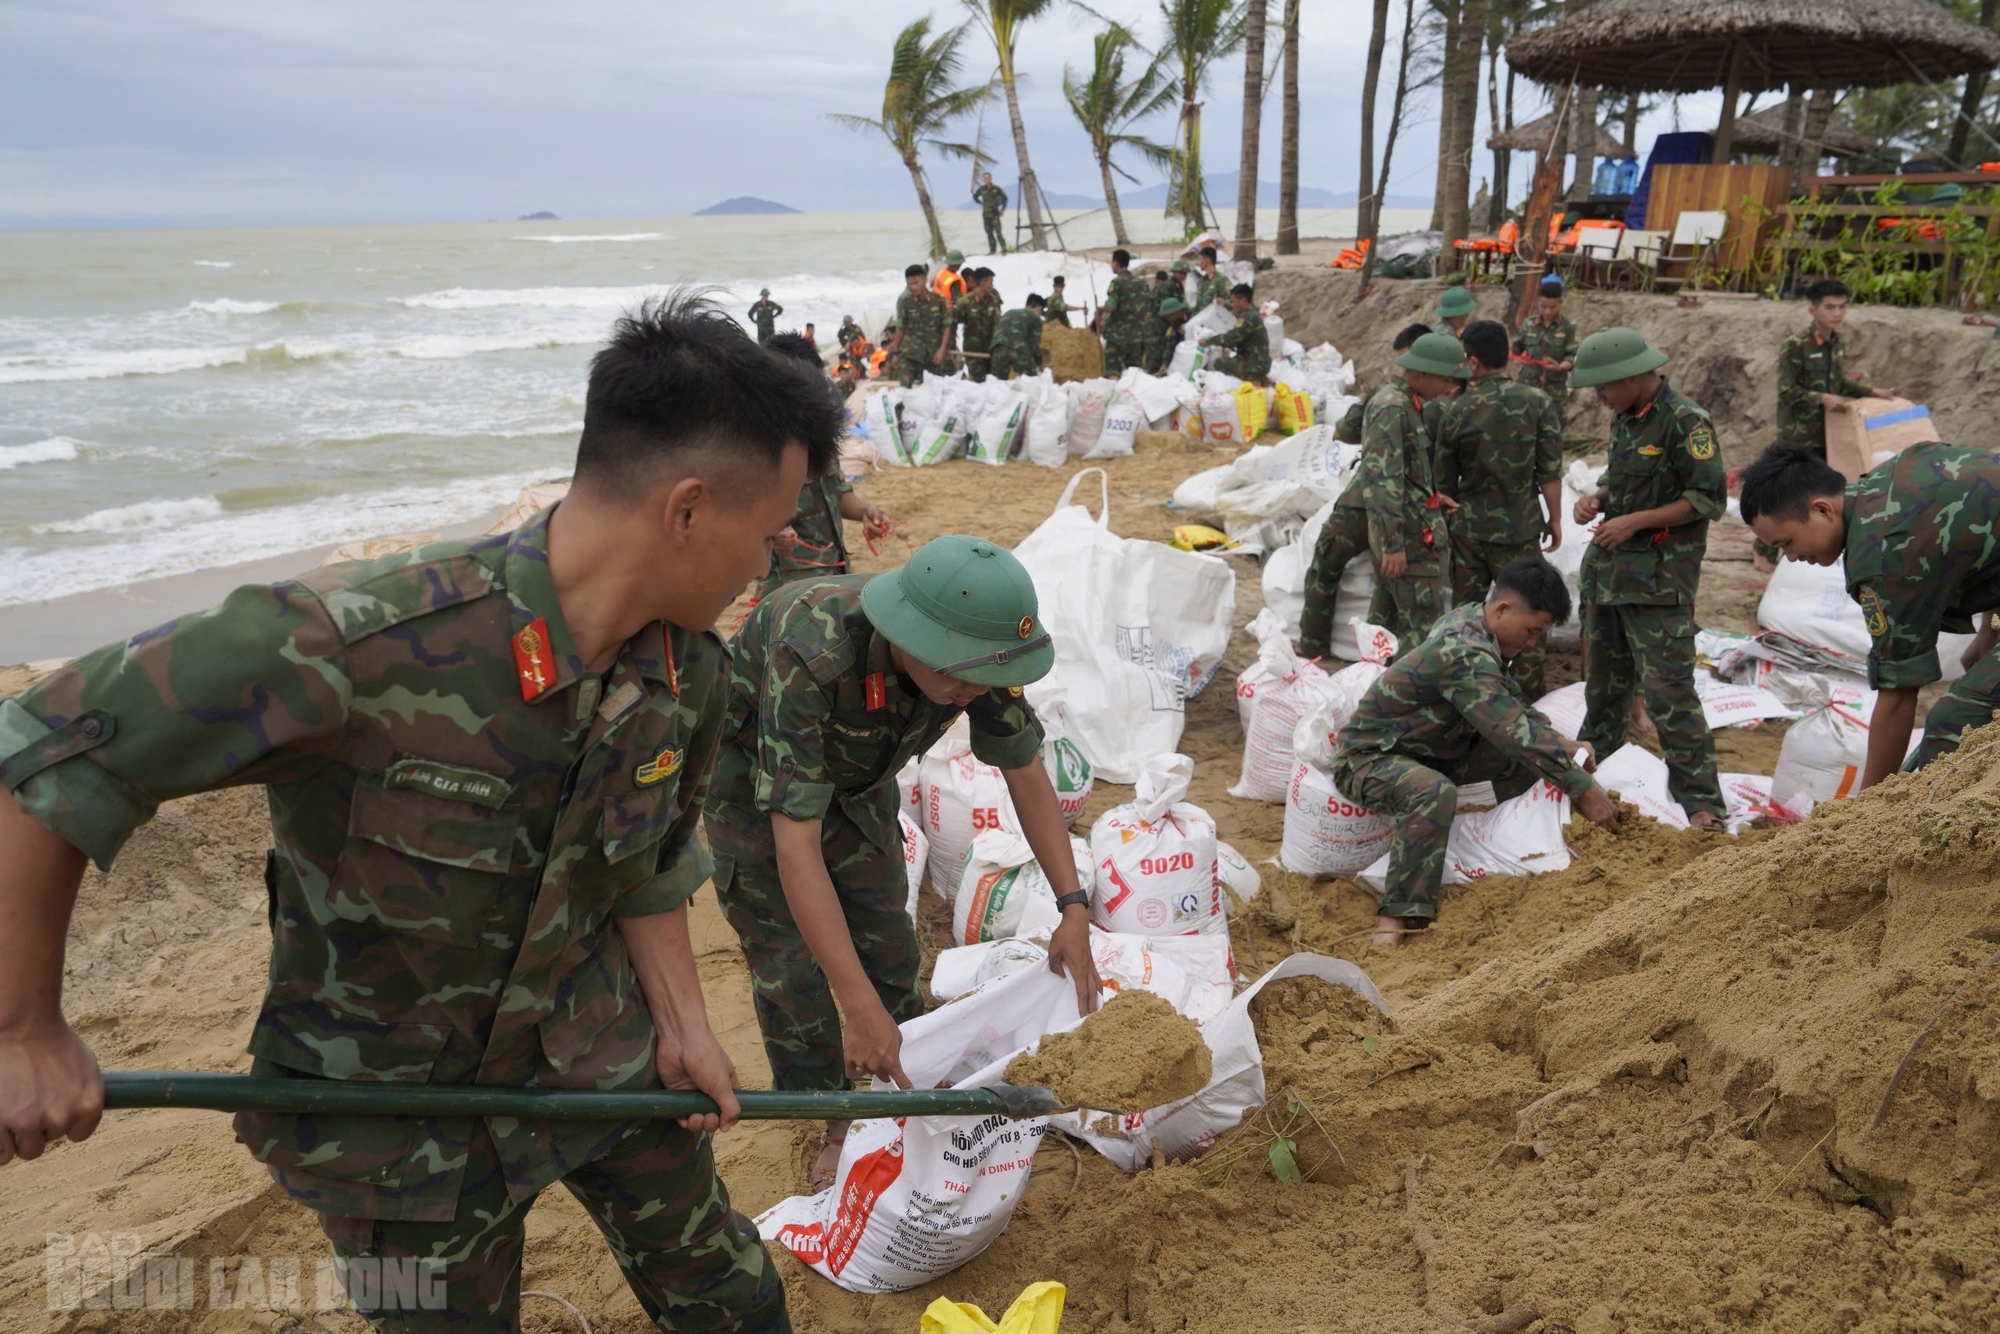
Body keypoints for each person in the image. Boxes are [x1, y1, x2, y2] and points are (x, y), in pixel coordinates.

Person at [0, 293, 842, 1332]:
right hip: (396, 1122)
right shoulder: (350, 637)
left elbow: (649, 863)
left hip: (598, 1062)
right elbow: (40, 756)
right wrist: (23, 1026)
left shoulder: (687, 674)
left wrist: (681, 1027)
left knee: (733, 1296)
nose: (768, 563)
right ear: (684, 510)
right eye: (764, 535)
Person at [704, 536, 1103, 1191]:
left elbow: (1027, 774)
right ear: (915, 641)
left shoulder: (977, 661)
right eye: (960, 677)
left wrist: (1073, 905)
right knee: (790, 962)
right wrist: (856, 1009)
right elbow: (794, 844)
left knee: (886, 932)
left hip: (860, 781)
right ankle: (833, 1113)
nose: (971, 693)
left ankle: (901, 1074)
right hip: (756, 786)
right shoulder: (813, 651)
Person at [1330, 557, 1619, 948]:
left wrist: (1562, 745)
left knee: (1530, 762)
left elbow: (1506, 703)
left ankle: (1502, 842)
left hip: (1434, 746)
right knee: (1433, 792)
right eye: (1532, 631)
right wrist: (1583, 788)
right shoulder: (1464, 650)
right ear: (1503, 609)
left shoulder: (1474, 621)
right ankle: (1396, 915)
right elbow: (1514, 731)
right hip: (1370, 758)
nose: (1533, 643)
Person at [1741, 442, 2000, 787]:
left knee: (1954, 723)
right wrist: (1989, 632)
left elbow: (1898, 697)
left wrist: (1866, 811)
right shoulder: (1893, 475)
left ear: (1821, 510)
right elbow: (1985, 532)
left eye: (1786, 543)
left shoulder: (1885, 559)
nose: (1789, 557)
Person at [1569, 327, 1727, 831]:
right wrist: (1599, 498)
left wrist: (1634, 522)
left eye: (1605, 386)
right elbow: (1625, 479)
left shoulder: (1687, 423)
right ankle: (1603, 781)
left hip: (1659, 584)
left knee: (1669, 695)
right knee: (1605, 690)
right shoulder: (1625, 418)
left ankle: (1701, 803)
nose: (1600, 397)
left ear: (1637, 375)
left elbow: (1708, 499)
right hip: (1611, 578)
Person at [1298, 332, 1464, 660]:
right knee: (1417, 621)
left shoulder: (1411, 405)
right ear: (1424, 373)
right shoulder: (1392, 406)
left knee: (1386, 613)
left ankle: (1373, 676)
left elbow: (1407, 473)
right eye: (1444, 380)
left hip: (1406, 522)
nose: (1447, 389)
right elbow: (1381, 479)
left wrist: (1433, 497)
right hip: (1395, 528)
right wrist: (1392, 545)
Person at [1436, 320, 1565, 697]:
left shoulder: (1457, 410)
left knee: (1472, 615)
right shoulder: (1538, 402)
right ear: (1507, 355)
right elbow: (1550, 470)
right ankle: (1527, 697)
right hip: (1520, 529)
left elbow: (1444, 485)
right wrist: (1555, 518)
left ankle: (1469, 688)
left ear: (1471, 361)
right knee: (1529, 615)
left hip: (1471, 530)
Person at [758, 333, 892, 601]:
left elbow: (837, 493)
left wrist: (865, 511)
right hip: (790, 588)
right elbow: (735, 517)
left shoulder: (817, 433)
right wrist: (770, 534)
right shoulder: (758, 445)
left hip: (835, 575)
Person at [1776, 279, 1893, 460]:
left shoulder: (1837, 343)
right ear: (1813, 311)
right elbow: (1786, 391)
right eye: (1829, 307)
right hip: (1798, 439)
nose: (1837, 314)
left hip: (1831, 436)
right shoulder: (1796, 345)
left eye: (1842, 307)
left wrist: (1872, 392)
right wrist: (1822, 398)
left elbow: (1838, 384)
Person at [1513, 275, 1579, 402]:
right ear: (1538, 301)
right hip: (1527, 386)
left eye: (1552, 307)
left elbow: (1574, 356)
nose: (1547, 311)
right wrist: (1519, 357)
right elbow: (1516, 349)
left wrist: (1560, 367)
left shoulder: (1569, 327)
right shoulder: (1528, 324)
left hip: (1554, 389)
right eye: (1543, 306)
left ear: (1561, 303)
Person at [889, 264, 950, 388]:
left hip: (932, 354)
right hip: (910, 353)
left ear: (924, 279)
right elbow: (900, 327)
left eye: (916, 282)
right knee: (904, 389)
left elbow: (946, 326)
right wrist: (895, 352)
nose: (913, 287)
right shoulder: (905, 302)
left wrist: (942, 349)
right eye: (910, 284)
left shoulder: (939, 301)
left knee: (932, 391)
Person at [1203, 283, 1272, 382]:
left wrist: (1208, 341)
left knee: (1219, 363)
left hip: (1254, 366)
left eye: (1233, 302)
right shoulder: (1253, 313)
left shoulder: (1247, 318)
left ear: (1243, 301)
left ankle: (1254, 379)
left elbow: (1231, 338)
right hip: (1260, 363)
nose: (1232, 305)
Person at [1100, 248, 1151, 376]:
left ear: (1116, 263)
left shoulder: (1117, 283)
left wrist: (1101, 312)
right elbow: (1148, 308)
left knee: (1113, 371)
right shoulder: (1142, 283)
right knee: (1134, 373)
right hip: (1137, 335)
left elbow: (1111, 306)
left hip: (1118, 336)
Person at [953, 267, 1002, 383]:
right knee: (978, 385)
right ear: (983, 282)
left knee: (994, 384)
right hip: (974, 352)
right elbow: (950, 323)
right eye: (990, 282)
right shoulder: (965, 302)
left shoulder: (993, 299)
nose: (992, 285)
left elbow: (998, 322)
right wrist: (950, 346)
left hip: (991, 351)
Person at [990, 294, 1050, 380]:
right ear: (1039, 307)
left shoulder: (1009, 312)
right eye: (1042, 310)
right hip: (1018, 350)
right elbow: (1034, 344)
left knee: (998, 385)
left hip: (997, 349)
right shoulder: (1035, 318)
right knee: (1032, 382)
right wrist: (1039, 362)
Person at [1147, 270, 1177, 372]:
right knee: (1156, 350)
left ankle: (1154, 370)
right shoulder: (1162, 291)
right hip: (1157, 326)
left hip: (1157, 326)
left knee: (1155, 350)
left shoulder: (1157, 291)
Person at [973, 173, 1009, 254]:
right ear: (983, 180)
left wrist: (1002, 210)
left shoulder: (996, 189)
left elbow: (1005, 199)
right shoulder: (982, 189)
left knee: (998, 232)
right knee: (989, 233)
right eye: (985, 178)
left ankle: (1004, 249)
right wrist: (980, 203)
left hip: (995, 214)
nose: (987, 180)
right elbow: (975, 196)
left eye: (988, 178)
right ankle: (992, 250)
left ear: (991, 178)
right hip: (986, 214)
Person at [1192, 246, 1231, 313]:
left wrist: (1223, 302)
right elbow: (1198, 305)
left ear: (1207, 260)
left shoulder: (1221, 279)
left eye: (1200, 260)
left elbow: (1231, 301)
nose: (1199, 263)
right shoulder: (1201, 281)